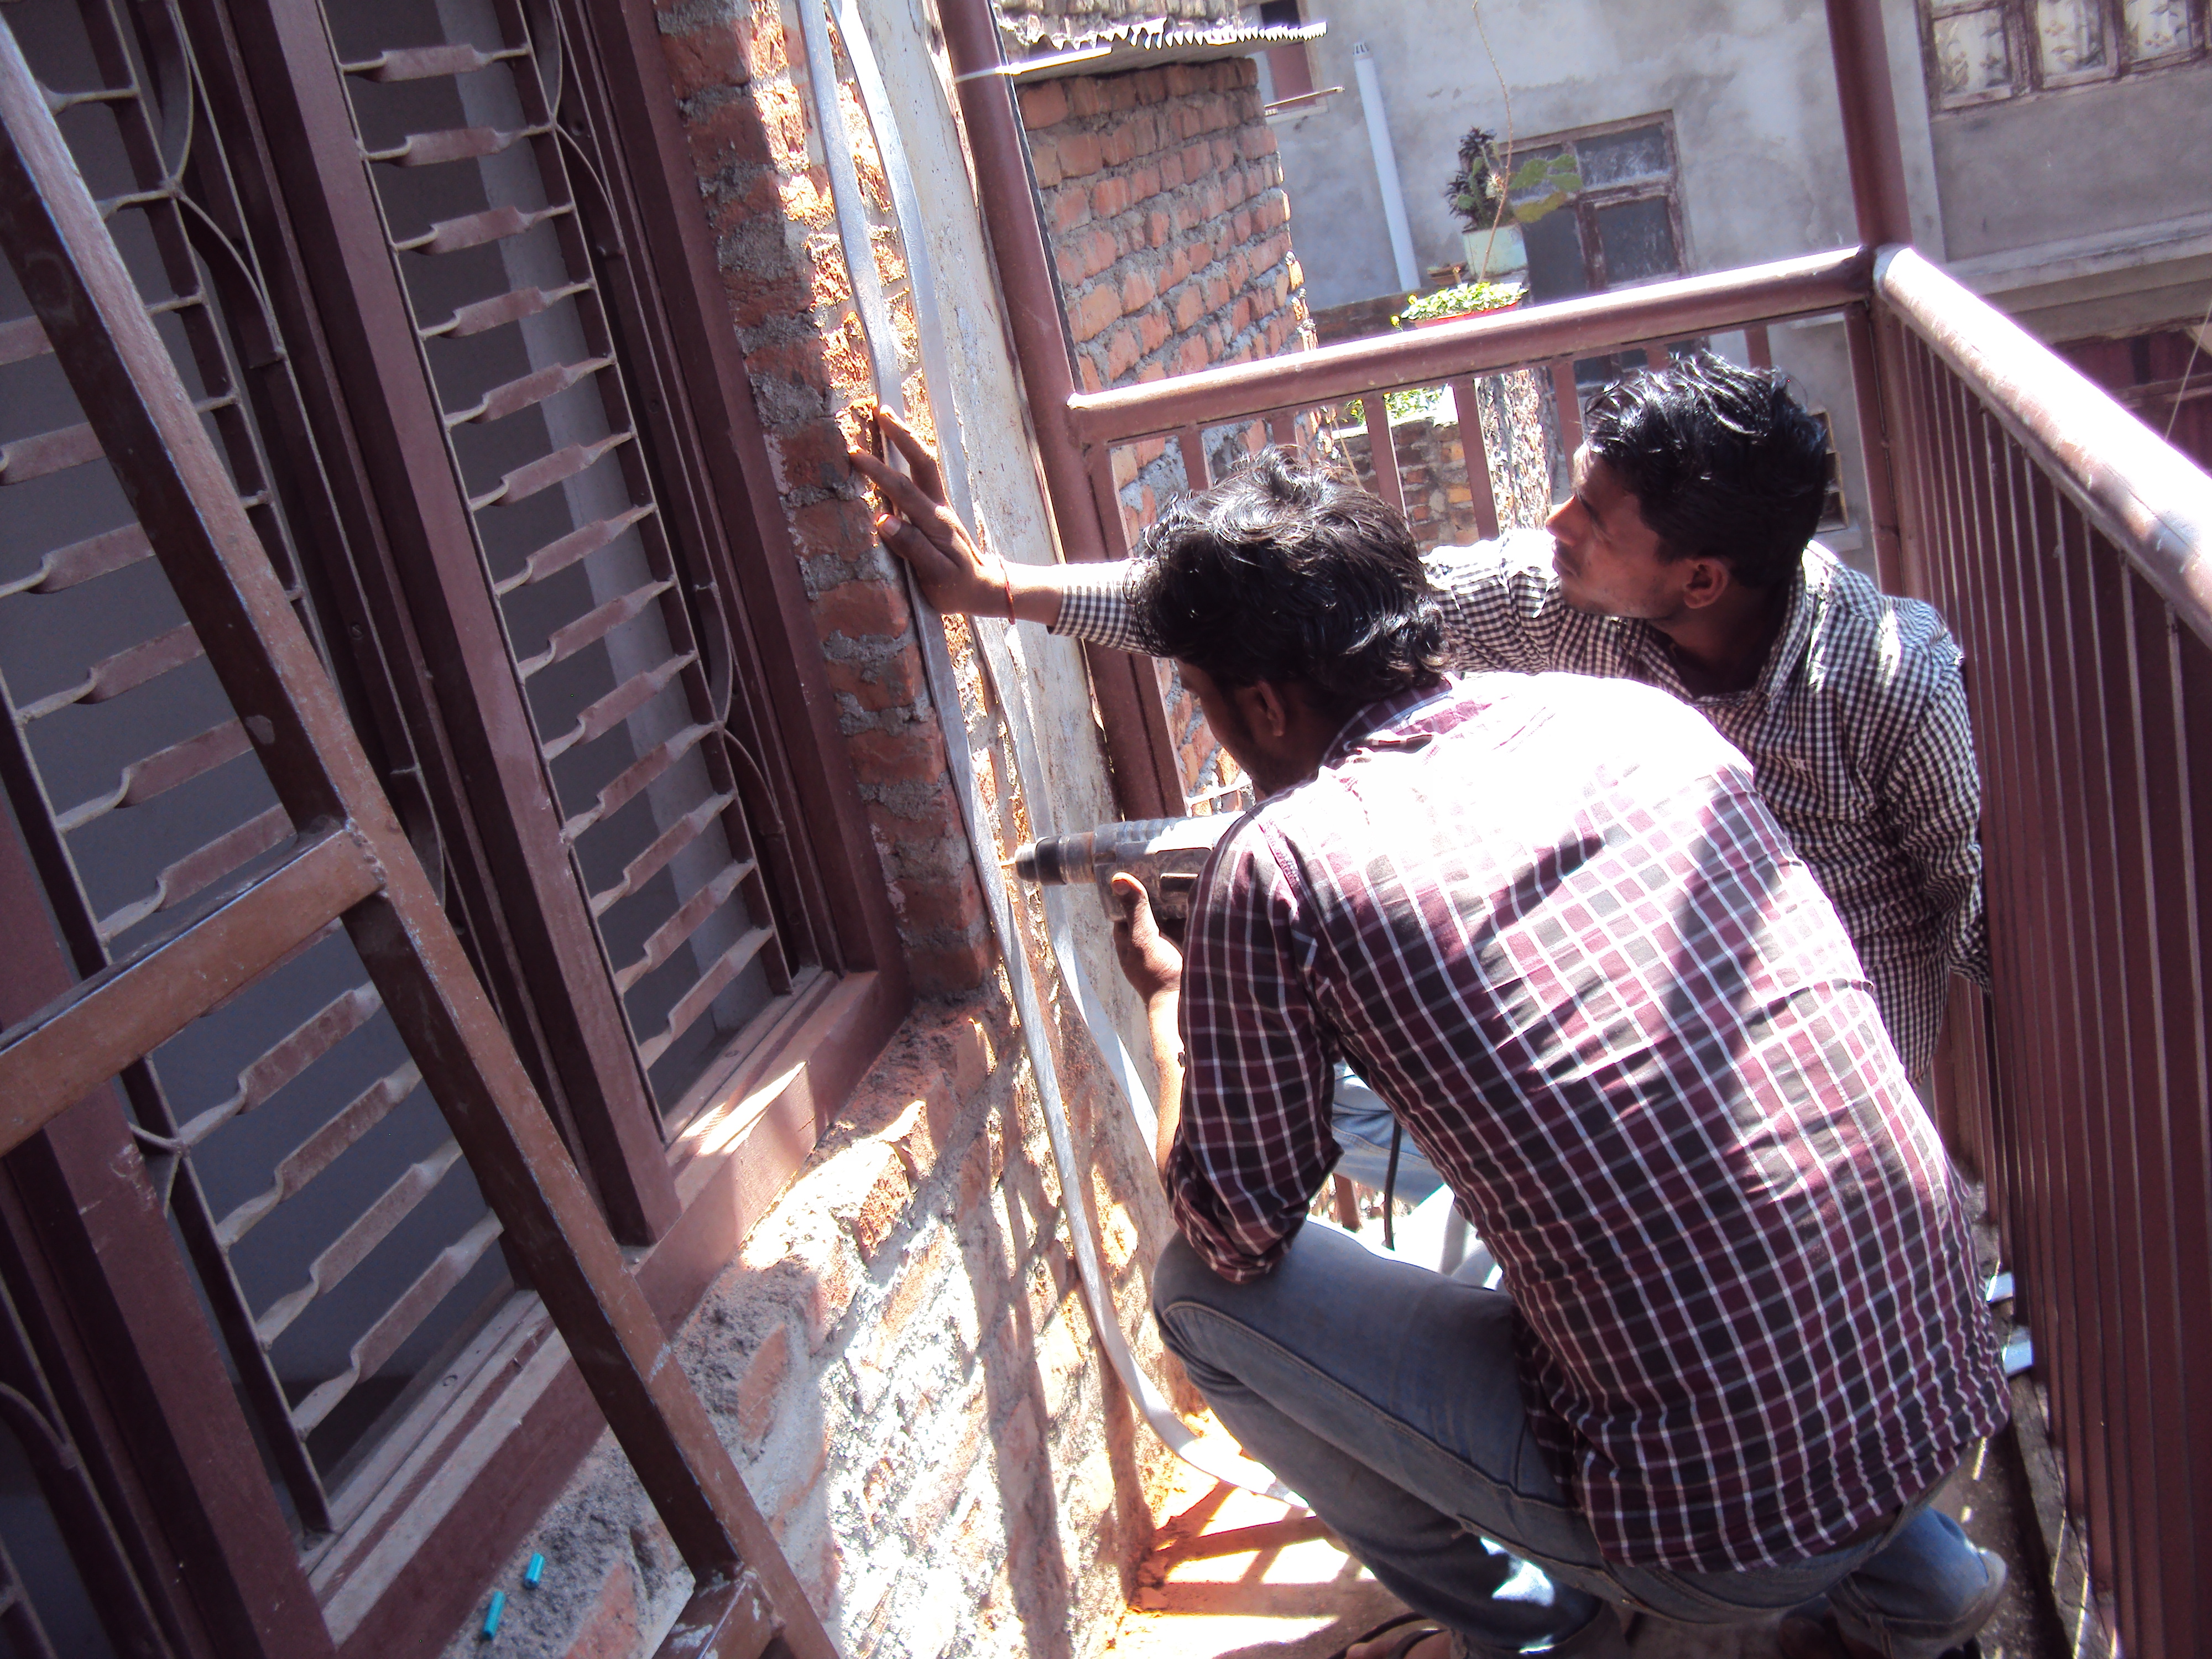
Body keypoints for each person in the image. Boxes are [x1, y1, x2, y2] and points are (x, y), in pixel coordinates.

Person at [1101, 451, 2008, 1659]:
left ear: (1262, 707)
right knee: (1514, 1158)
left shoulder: (1286, 862)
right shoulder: (1627, 716)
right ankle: (1913, 1575)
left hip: (1721, 1534)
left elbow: (1234, 1231)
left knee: (1196, 1297)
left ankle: (1543, 1635)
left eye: (1206, 702)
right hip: (1943, 1389)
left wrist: (1174, 1015)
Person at [852, 358, 1985, 1197]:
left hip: (1815, 1103)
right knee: (1351, 1092)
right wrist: (1004, 591)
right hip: (1615, 1054)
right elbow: (1288, 615)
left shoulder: (1890, 684)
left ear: (1699, 580)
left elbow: (1982, 913)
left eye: (1593, 518)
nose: (1554, 524)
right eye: (1573, 490)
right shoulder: (1561, 604)